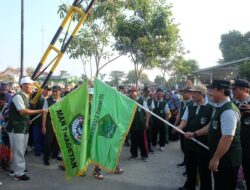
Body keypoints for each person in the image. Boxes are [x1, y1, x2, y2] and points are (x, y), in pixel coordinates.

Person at [186, 80, 242, 190]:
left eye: (212, 90)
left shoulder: (228, 111)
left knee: (224, 186)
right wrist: (194, 134)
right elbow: (212, 126)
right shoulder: (218, 107)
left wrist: (215, 159)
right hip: (221, 157)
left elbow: (227, 138)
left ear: (221, 91)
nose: (209, 93)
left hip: (227, 160)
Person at [6, 77, 46, 181]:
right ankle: (19, 173)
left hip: (23, 127)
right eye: (30, 85)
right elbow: (22, 111)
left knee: (20, 149)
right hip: (16, 128)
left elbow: (22, 114)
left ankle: (14, 169)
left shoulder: (25, 96)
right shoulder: (18, 96)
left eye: (32, 85)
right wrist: (39, 111)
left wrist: (28, 120)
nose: (32, 87)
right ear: (23, 86)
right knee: (18, 150)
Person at [177, 85, 212, 190]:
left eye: (195, 93)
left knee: (204, 169)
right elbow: (184, 120)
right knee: (190, 166)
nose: (192, 95)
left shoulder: (211, 107)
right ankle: (190, 186)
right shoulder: (190, 105)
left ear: (202, 94)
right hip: (190, 141)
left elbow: (210, 126)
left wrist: (195, 133)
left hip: (203, 143)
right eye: (192, 92)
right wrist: (180, 127)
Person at [232, 79, 250, 189]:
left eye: (235, 89)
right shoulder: (234, 104)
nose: (232, 91)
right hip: (237, 146)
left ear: (244, 89)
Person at [42, 85, 62, 166]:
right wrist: (43, 127)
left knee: (57, 141)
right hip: (50, 123)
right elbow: (44, 114)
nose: (54, 93)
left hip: (59, 123)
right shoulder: (48, 100)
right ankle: (46, 159)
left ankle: (55, 155)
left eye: (56, 91)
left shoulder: (63, 100)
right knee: (48, 141)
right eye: (53, 91)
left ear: (60, 91)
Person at [129, 87, 149, 161]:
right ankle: (134, 155)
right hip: (132, 125)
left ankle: (144, 155)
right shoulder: (129, 101)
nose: (133, 93)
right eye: (131, 91)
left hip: (141, 125)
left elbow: (147, 112)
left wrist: (147, 122)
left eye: (134, 91)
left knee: (142, 141)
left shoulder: (142, 101)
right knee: (133, 141)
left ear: (137, 92)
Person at [175, 87, 193, 168]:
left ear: (190, 93)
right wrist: (176, 125)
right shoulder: (183, 102)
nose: (182, 94)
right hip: (182, 127)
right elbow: (179, 114)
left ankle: (188, 164)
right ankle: (185, 162)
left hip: (189, 128)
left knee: (188, 147)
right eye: (182, 92)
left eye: (185, 92)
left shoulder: (193, 103)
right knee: (183, 146)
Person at [142, 86, 155, 153]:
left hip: (149, 119)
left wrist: (148, 117)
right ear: (143, 91)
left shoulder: (151, 100)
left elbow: (152, 110)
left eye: (148, 92)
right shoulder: (140, 99)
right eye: (146, 91)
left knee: (149, 134)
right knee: (142, 134)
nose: (147, 93)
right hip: (141, 119)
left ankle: (149, 147)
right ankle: (142, 147)